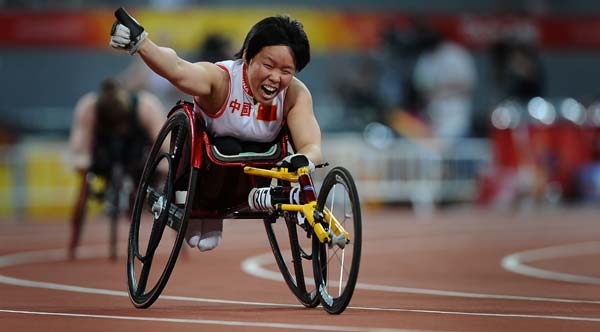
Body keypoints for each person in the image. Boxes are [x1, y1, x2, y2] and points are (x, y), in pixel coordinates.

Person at [109, 10, 322, 252]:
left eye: (286, 71)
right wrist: (142, 43)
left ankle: (216, 214)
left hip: (255, 177)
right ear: (247, 57)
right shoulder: (221, 80)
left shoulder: (295, 94)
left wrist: (302, 159)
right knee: (228, 146)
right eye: (268, 65)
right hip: (204, 169)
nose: (275, 78)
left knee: (254, 150)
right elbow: (177, 68)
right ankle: (206, 212)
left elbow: (311, 146)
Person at [69, 78, 165, 179]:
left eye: (122, 122)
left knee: (162, 170)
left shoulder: (146, 107)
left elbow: (166, 146)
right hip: (104, 154)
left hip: (138, 153)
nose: (119, 130)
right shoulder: (89, 109)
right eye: (112, 124)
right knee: (83, 166)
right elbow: (79, 150)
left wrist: (161, 167)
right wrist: (83, 161)